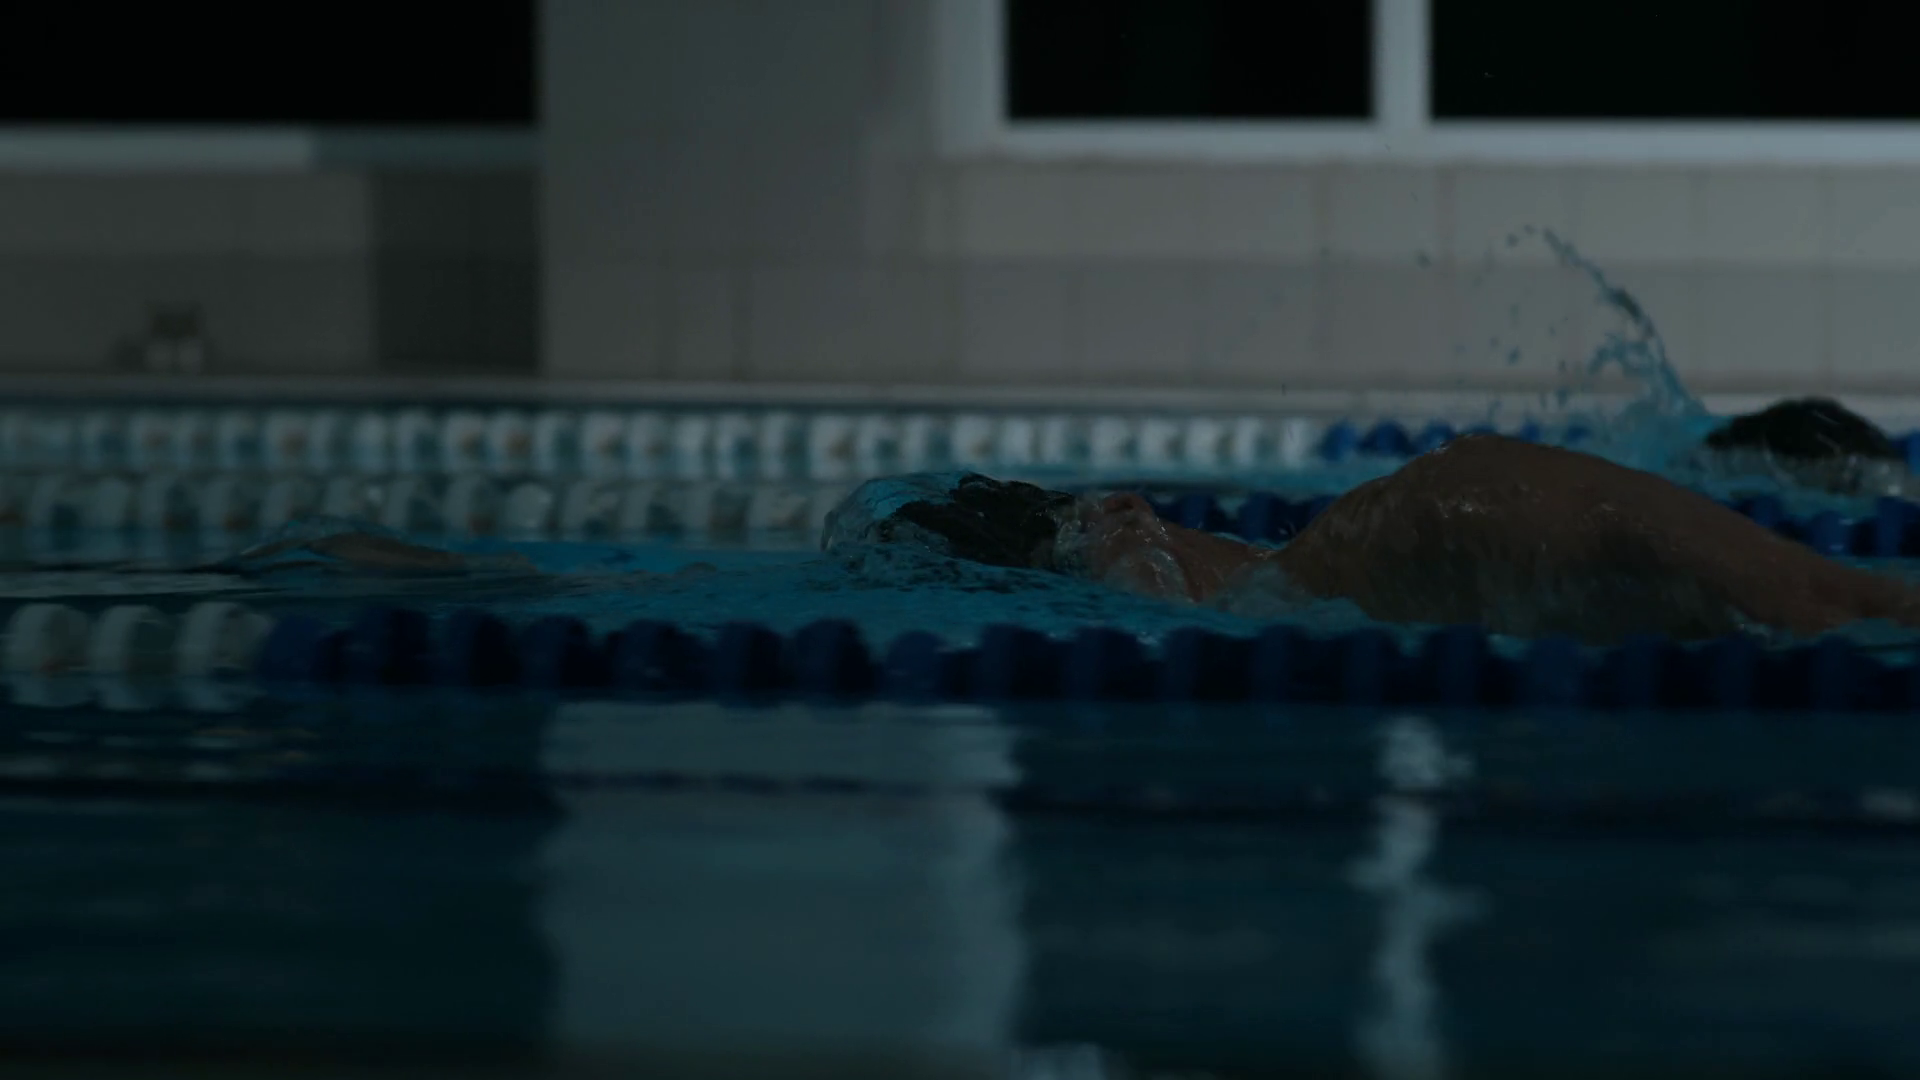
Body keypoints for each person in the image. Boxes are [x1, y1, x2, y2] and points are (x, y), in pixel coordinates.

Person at [830, 433, 1920, 645]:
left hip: (1417, 530)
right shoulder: (1101, 531)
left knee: (1829, 608)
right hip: (1434, 521)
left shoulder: (1099, 537)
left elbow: (1159, 607)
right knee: (1834, 611)